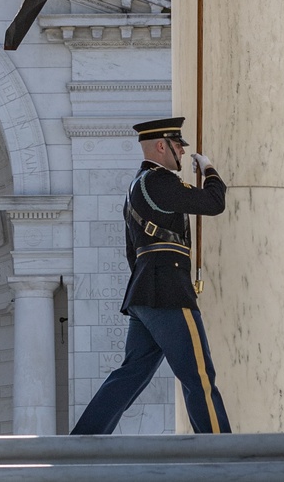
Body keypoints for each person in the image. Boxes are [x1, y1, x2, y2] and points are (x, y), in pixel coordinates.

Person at [72, 115, 231, 435]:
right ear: (162, 146)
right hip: (168, 289)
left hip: (145, 292)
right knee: (199, 375)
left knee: (130, 374)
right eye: (178, 147)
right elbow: (214, 203)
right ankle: (219, 446)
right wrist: (211, 171)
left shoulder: (136, 187)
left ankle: (84, 439)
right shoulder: (159, 182)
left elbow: (133, 253)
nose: (183, 153)